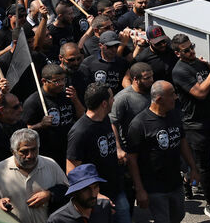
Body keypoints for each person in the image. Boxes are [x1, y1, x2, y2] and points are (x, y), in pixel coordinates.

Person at [126, 81, 200, 223]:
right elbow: (132, 159)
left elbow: (182, 141)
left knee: (178, 216)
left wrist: (193, 168)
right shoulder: (139, 124)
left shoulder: (174, 115)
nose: (176, 97)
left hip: (175, 183)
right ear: (159, 99)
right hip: (154, 187)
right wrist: (139, 189)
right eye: (172, 94)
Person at [171, 33, 210, 217]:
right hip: (195, 125)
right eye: (186, 50)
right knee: (205, 167)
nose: (192, 51)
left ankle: (189, 177)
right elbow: (200, 92)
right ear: (178, 53)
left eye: (192, 46)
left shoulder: (200, 63)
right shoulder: (179, 70)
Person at [66, 82, 129, 223]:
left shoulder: (104, 117)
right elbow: (71, 171)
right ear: (104, 103)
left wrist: (118, 147)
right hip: (97, 198)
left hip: (116, 188)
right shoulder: (80, 132)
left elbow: (112, 126)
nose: (114, 100)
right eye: (112, 98)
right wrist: (97, 195)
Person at [0, 128, 69, 223]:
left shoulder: (51, 165)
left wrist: (50, 194)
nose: (30, 155)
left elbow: (68, 191)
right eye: (24, 151)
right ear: (13, 151)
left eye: (34, 149)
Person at [22, 63, 80, 167]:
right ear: (44, 81)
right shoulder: (33, 102)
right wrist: (41, 125)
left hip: (69, 150)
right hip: (48, 156)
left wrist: (75, 100)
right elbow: (23, 132)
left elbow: (81, 116)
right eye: (57, 81)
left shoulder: (67, 95)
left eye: (64, 79)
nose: (62, 84)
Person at [109, 62, 154, 158]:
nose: (151, 80)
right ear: (135, 79)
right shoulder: (123, 98)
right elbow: (112, 123)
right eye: (147, 78)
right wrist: (118, 148)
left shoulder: (153, 92)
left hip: (152, 145)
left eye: (151, 77)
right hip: (132, 149)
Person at [47, 164, 114, 223]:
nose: (93, 194)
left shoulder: (105, 207)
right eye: (86, 189)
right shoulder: (57, 220)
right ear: (74, 192)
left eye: (95, 187)